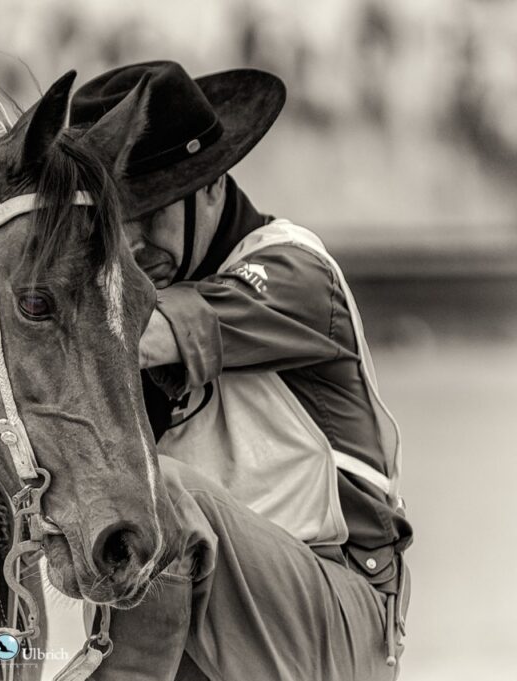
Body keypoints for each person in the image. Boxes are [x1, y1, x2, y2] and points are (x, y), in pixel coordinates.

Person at [67, 62, 413, 680]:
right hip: (215, 614)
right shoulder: (131, 286)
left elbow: (131, 333)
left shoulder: (297, 273)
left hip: (336, 617)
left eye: (153, 211)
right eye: (115, 217)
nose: (133, 239)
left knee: (157, 489)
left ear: (213, 184)